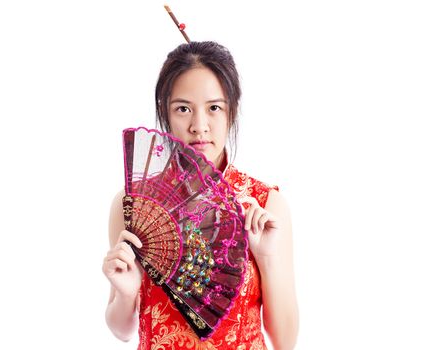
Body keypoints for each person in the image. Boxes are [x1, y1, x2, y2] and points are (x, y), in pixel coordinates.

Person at [102, 41, 299, 350]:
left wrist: (266, 258)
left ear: (231, 111)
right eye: (183, 109)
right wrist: (126, 293)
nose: (199, 126)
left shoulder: (264, 204)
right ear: (164, 114)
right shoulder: (133, 205)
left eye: (213, 108)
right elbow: (121, 329)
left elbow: (286, 341)